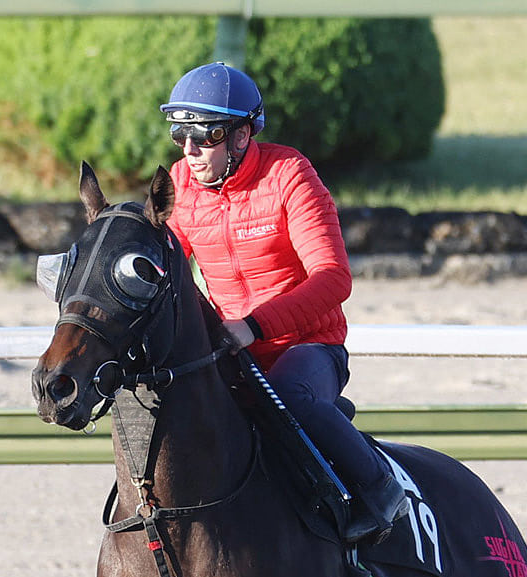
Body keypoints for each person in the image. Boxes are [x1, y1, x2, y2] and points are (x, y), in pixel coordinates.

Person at [160, 62, 409, 544]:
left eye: (204, 134)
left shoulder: (290, 174)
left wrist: (253, 325)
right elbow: (165, 269)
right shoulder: (182, 185)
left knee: (289, 395)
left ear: (241, 135)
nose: (189, 151)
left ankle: (380, 491)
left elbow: (333, 278)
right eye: (179, 135)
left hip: (310, 347)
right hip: (234, 350)